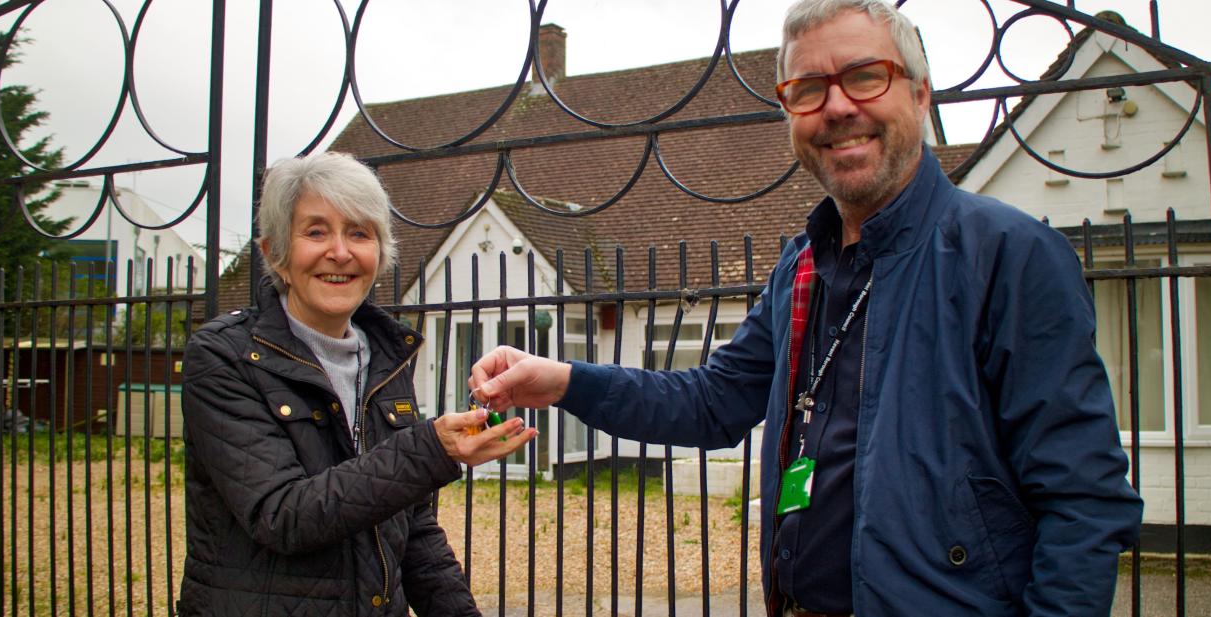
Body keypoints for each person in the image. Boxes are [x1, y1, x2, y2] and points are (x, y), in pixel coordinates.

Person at [467, 1, 1143, 615]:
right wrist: (562, 380)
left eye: (864, 76)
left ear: (920, 92)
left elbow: (1083, 502)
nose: (838, 106)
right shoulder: (804, 266)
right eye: (809, 90)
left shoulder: (1010, 255)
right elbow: (712, 401)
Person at [180, 151, 535, 616]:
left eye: (359, 233)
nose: (341, 253)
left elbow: (413, 526)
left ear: (379, 254)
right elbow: (283, 515)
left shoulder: (385, 358)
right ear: (276, 254)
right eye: (315, 231)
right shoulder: (224, 357)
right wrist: (432, 449)